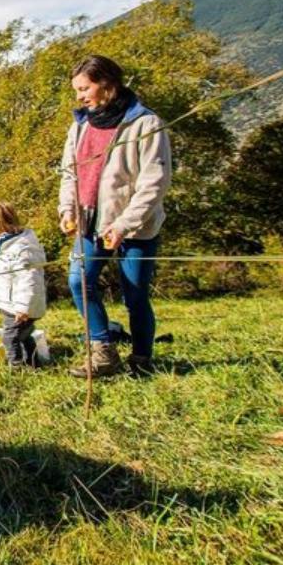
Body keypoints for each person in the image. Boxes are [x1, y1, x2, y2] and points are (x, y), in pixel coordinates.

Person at [58, 55, 171, 378]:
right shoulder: (80, 125)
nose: (79, 96)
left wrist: (123, 225)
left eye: (84, 88)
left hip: (134, 227)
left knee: (135, 293)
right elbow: (70, 173)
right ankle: (102, 351)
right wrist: (68, 209)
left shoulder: (146, 124)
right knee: (79, 281)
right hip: (89, 222)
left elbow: (155, 182)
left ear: (107, 84)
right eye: (77, 90)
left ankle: (141, 359)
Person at [0, 202, 47, 368]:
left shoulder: (21, 250)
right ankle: (33, 363)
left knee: (10, 338)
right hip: (12, 305)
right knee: (24, 336)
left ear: (2, 228)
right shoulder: (7, 246)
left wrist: (22, 307)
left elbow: (30, 280)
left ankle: (16, 366)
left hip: (20, 307)